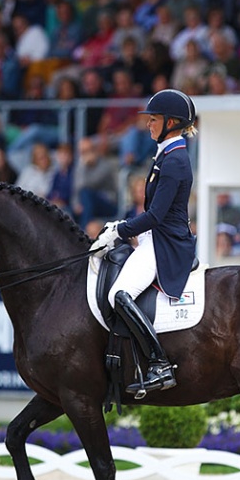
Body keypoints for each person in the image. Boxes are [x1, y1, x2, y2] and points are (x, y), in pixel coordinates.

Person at [90, 89, 197, 396]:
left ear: (172, 122)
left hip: (164, 243)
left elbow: (154, 216)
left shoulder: (175, 160)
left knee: (119, 295)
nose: (149, 125)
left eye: (154, 119)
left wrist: (119, 230)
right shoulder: (166, 153)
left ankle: (159, 363)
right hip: (154, 238)